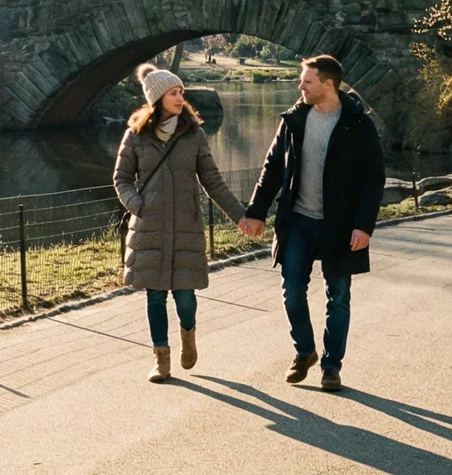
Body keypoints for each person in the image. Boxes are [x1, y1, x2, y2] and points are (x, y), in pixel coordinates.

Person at [237, 55, 384, 392]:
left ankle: (332, 367)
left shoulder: (357, 124)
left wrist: (364, 226)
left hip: (341, 225)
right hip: (298, 222)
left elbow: (372, 179)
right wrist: (256, 212)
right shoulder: (294, 120)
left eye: (306, 81)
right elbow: (272, 167)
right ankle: (305, 352)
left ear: (327, 84)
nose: (300, 86)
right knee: (291, 292)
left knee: (339, 297)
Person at [114, 64, 248, 383]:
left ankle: (188, 335)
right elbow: (121, 179)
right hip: (149, 228)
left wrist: (241, 216)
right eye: (174, 93)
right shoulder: (136, 135)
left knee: (185, 298)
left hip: (186, 226)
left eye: (181, 92)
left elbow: (212, 181)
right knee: (155, 296)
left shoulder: (194, 134)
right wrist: (137, 205)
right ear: (158, 98)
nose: (180, 97)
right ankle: (161, 359)